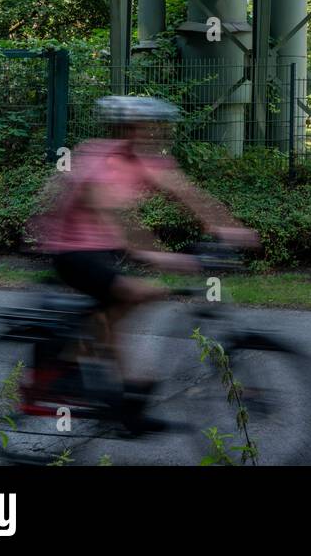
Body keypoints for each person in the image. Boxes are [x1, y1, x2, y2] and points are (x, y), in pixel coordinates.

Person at [33, 95, 257, 421]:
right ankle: (67, 367)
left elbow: (189, 194)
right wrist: (168, 258)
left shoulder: (147, 160)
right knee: (136, 292)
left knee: (120, 307)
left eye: (160, 128)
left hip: (103, 250)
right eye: (149, 128)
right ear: (126, 129)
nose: (157, 134)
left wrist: (228, 229)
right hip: (71, 251)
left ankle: (119, 390)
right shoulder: (98, 161)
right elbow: (123, 226)